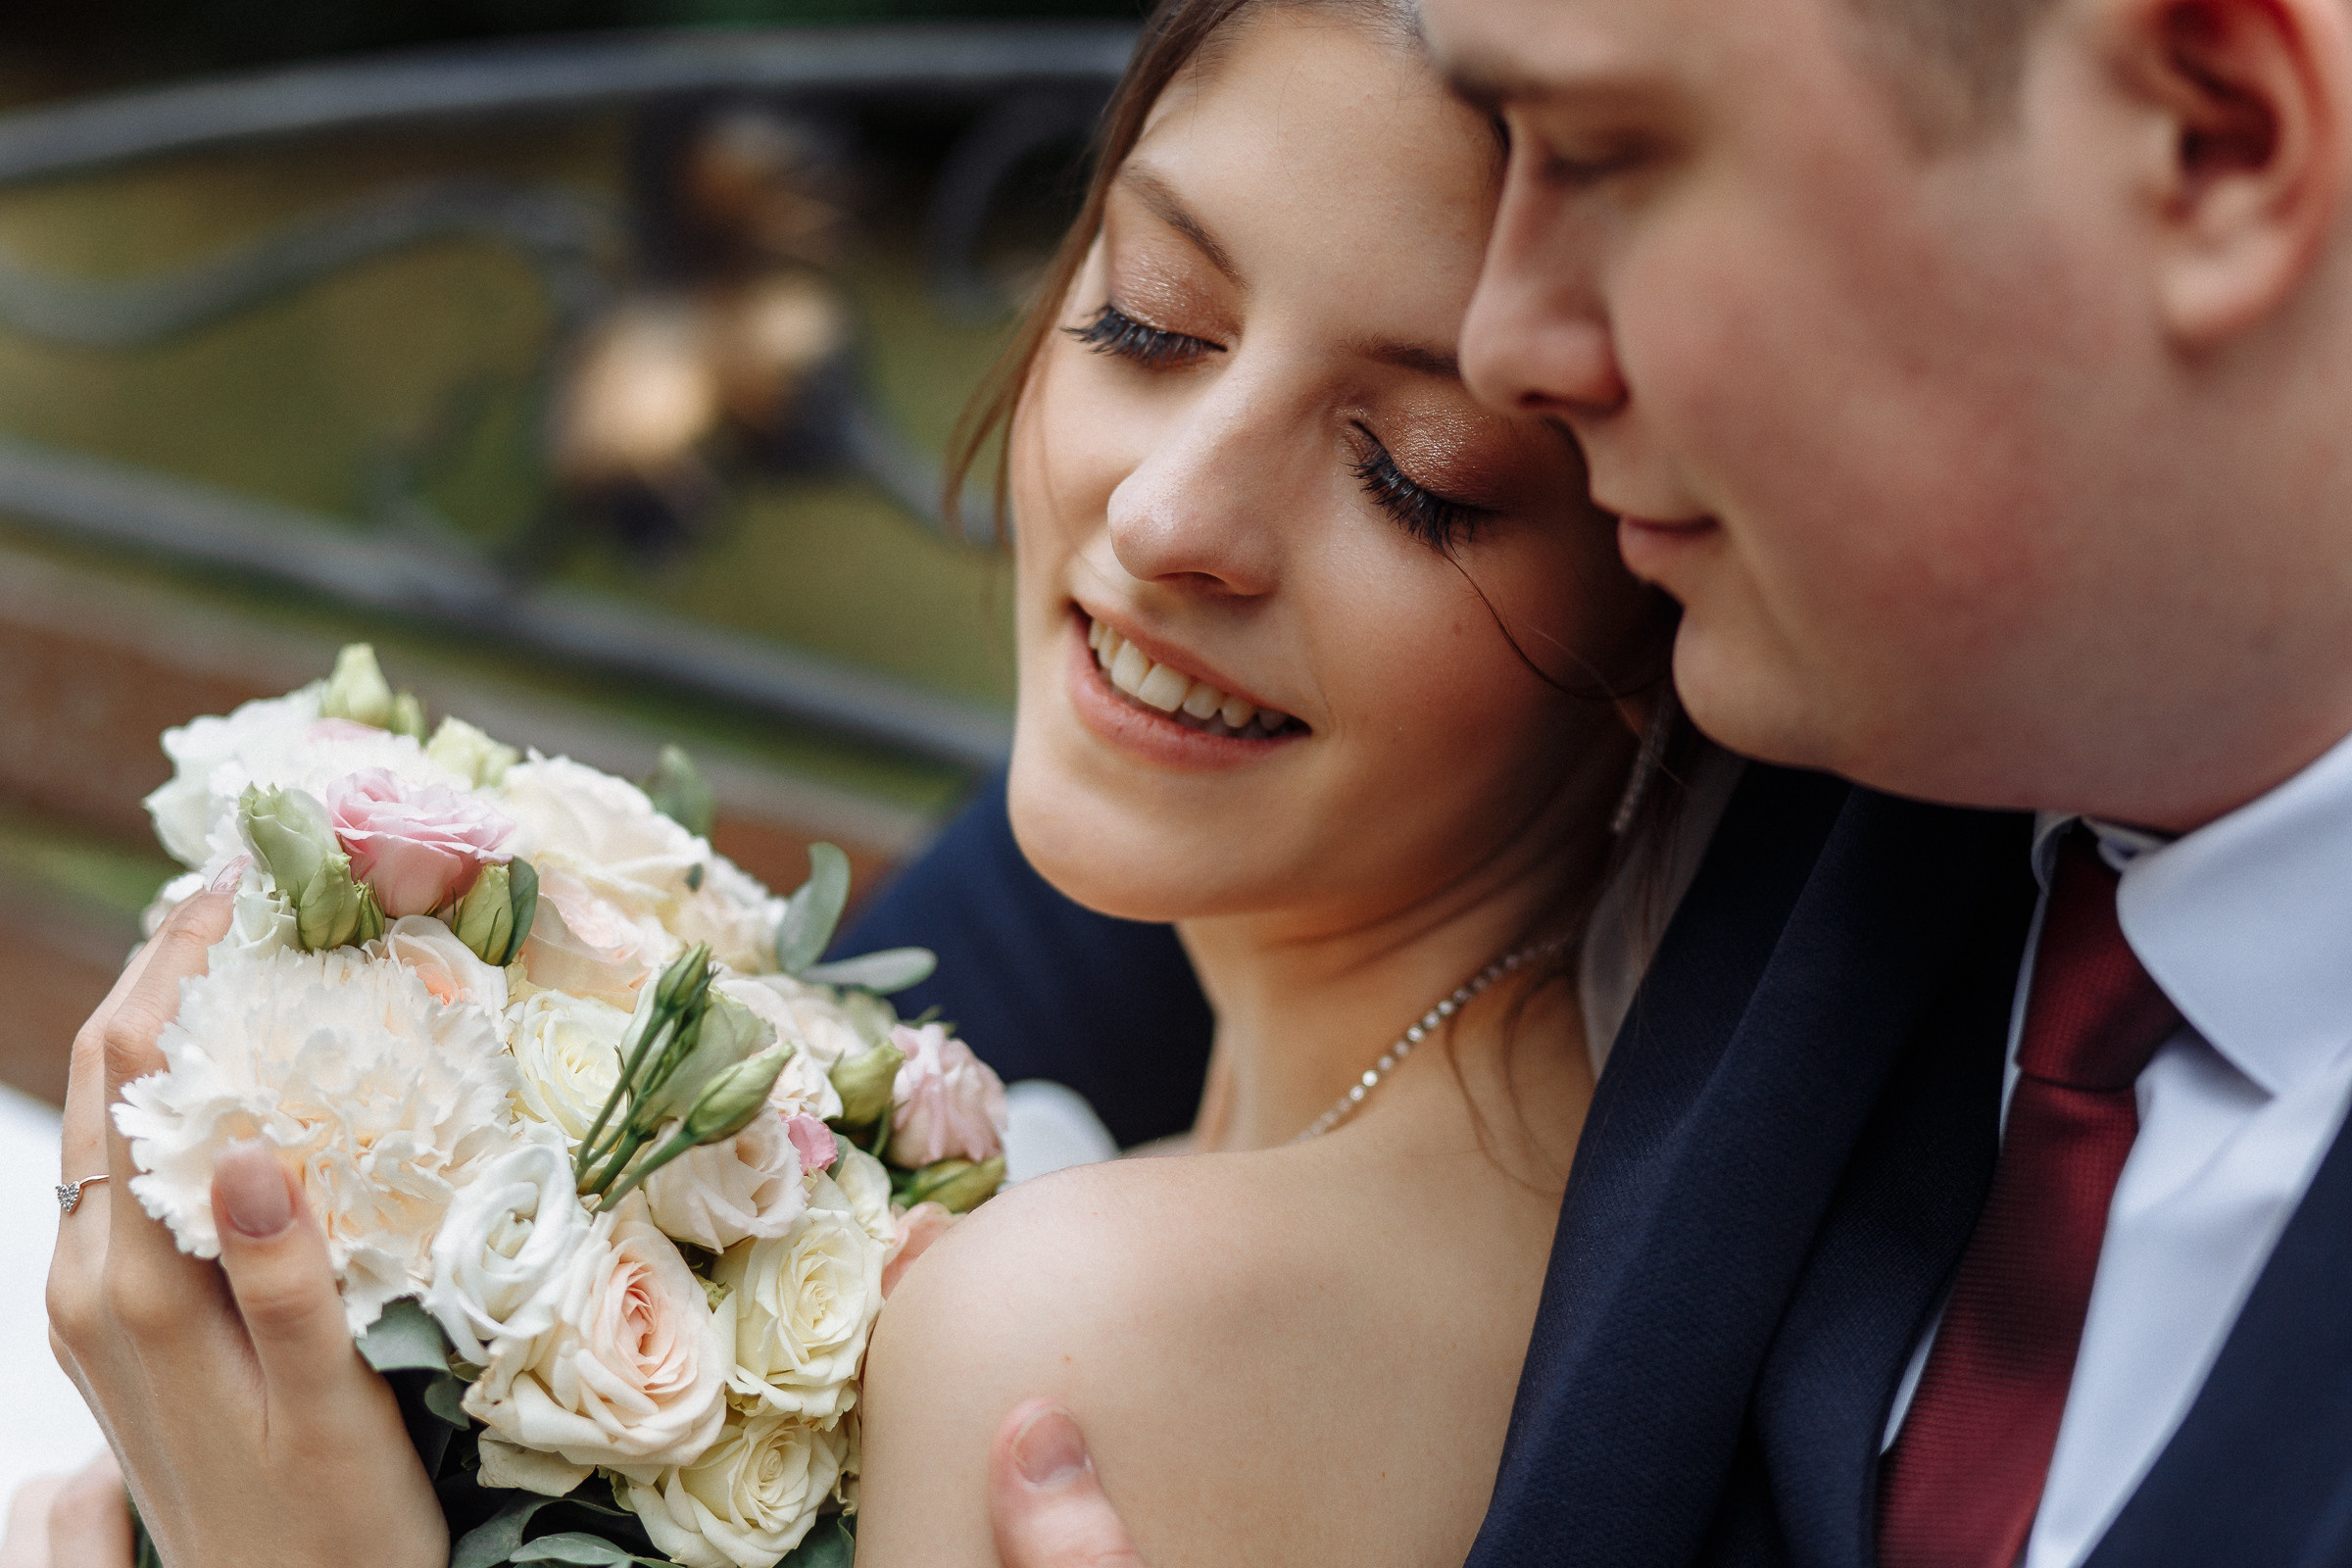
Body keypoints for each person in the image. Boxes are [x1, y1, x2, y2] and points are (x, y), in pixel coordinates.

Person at [28, 1, 1701, 1563]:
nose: (1166, 516)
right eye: (1151, 320)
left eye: (1419, 480)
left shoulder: (1095, 1344)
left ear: (1667, 593)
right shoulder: (1426, 1154)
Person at [975, 0, 2352, 1564]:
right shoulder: (1875, 681)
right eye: (1151, 319)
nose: (1525, 342)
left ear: (2210, 139)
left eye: (1614, 154)